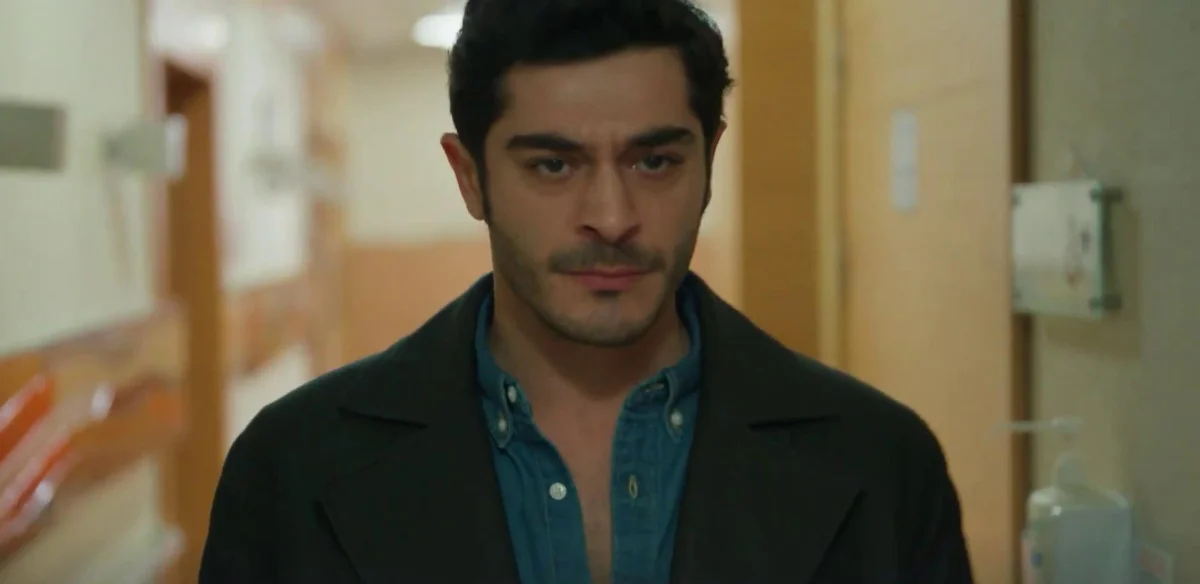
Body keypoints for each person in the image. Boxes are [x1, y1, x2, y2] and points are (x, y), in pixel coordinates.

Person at [199, 0, 975, 582]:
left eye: (654, 162)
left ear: (709, 161)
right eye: (553, 165)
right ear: (470, 178)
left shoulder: (882, 461)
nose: (611, 216)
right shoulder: (292, 467)